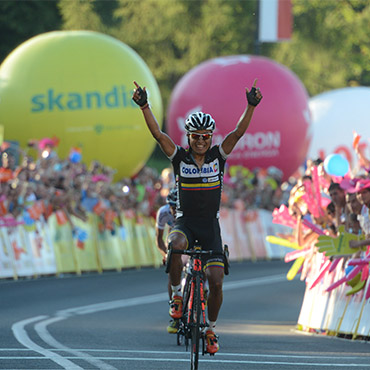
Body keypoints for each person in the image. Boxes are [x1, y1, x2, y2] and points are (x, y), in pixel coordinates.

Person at [132, 79, 262, 354]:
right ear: (188, 137)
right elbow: (157, 134)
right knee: (175, 244)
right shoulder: (180, 158)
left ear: (211, 136)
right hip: (185, 222)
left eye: (205, 136)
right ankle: (178, 297)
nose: (201, 140)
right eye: (195, 136)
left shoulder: (218, 156)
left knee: (215, 281)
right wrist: (144, 105)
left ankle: (211, 328)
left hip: (209, 227)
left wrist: (250, 106)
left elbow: (238, 132)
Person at [155, 188, 180, 334]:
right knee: (173, 270)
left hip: (190, 233)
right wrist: (166, 255)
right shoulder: (163, 212)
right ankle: (175, 308)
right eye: (172, 207)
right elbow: (159, 238)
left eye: (178, 207)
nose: (175, 211)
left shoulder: (190, 211)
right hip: (174, 236)